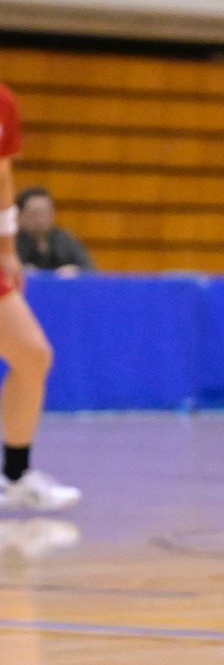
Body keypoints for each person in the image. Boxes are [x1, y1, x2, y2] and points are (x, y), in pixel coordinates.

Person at [0, 81, 78, 512]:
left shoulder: (3, 102)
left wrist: (6, 248)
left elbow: (2, 173)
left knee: (32, 355)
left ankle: (15, 477)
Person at [13, 189, 92, 276]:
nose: (40, 219)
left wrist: (76, 270)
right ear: (20, 216)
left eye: (45, 212)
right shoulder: (12, 244)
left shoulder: (64, 240)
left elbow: (90, 269)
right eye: (34, 213)